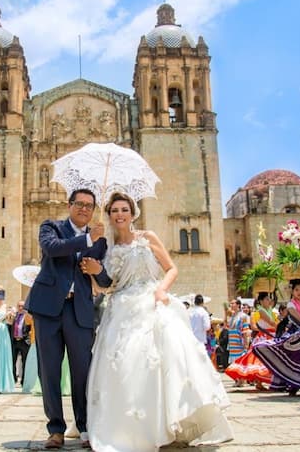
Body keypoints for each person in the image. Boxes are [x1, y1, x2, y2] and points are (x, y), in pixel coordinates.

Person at [81, 192, 233, 451]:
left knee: (165, 357)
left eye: (124, 209)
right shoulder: (105, 247)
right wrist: (95, 272)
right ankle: (133, 429)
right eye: (115, 210)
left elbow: (172, 267)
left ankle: (169, 421)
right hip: (120, 309)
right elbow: (104, 287)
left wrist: (162, 290)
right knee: (125, 365)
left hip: (152, 300)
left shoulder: (148, 237)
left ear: (132, 213)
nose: (119, 214)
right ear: (109, 215)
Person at [24, 188, 109, 449]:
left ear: (94, 210)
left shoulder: (100, 241)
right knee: (48, 370)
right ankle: (56, 429)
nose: (84, 209)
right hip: (48, 309)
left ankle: (84, 427)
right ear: (70, 205)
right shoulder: (51, 227)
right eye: (80, 204)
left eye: (89, 205)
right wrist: (85, 240)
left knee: (82, 371)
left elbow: (105, 281)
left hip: (80, 311)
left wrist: (98, 269)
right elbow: (52, 249)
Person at [253, 276, 300, 396]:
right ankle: (294, 385)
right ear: (292, 292)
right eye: (297, 290)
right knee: (298, 361)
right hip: (299, 334)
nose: (299, 292)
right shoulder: (291, 305)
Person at [226, 291, 278, 391]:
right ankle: (259, 381)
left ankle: (266, 381)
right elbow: (254, 327)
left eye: (269, 299)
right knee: (259, 360)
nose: (269, 301)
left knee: (269, 359)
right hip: (264, 336)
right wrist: (269, 329)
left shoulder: (271, 311)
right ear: (261, 301)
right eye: (267, 299)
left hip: (271, 335)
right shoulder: (258, 312)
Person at [226, 298, 250, 387]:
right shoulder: (232, 317)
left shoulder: (243, 316)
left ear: (238, 305)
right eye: (230, 304)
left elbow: (245, 329)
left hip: (239, 342)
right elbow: (227, 327)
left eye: (233, 303)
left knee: (240, 361)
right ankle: (237, 379)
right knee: (234, 362)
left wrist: (246, 343)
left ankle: (241, 380)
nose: (231, 305)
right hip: (232, 343)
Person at [9, 300, 31, 385]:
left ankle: (24, 381)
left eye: (22, 306)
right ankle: (13, 379)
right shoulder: (13, 316)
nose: (21, 308)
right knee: (12, 361)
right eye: (19, 306)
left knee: (25, 362)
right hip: (14, 341)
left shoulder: (27, 316)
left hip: (24, 342)